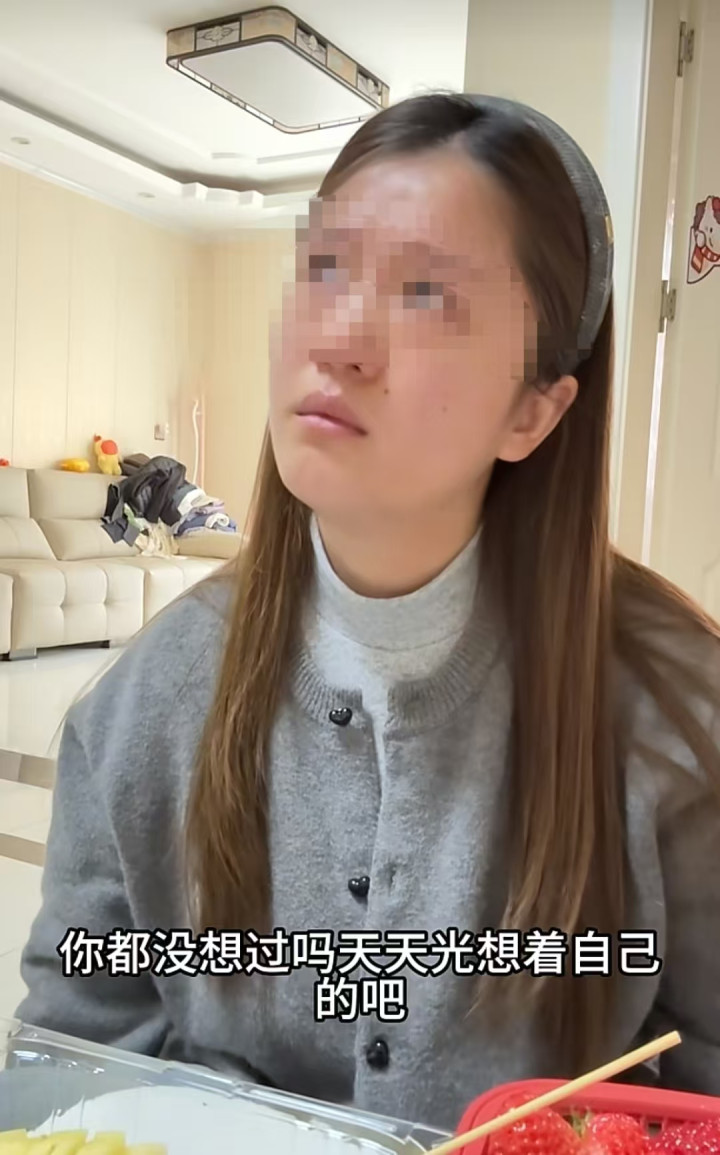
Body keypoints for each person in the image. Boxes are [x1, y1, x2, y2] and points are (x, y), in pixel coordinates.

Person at [17, 93, 720, 1133]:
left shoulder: (677, 715)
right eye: (324, 268)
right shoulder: (141, 708)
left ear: (535, 410)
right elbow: (69, 1069)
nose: (341, 336)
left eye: (427, 293)